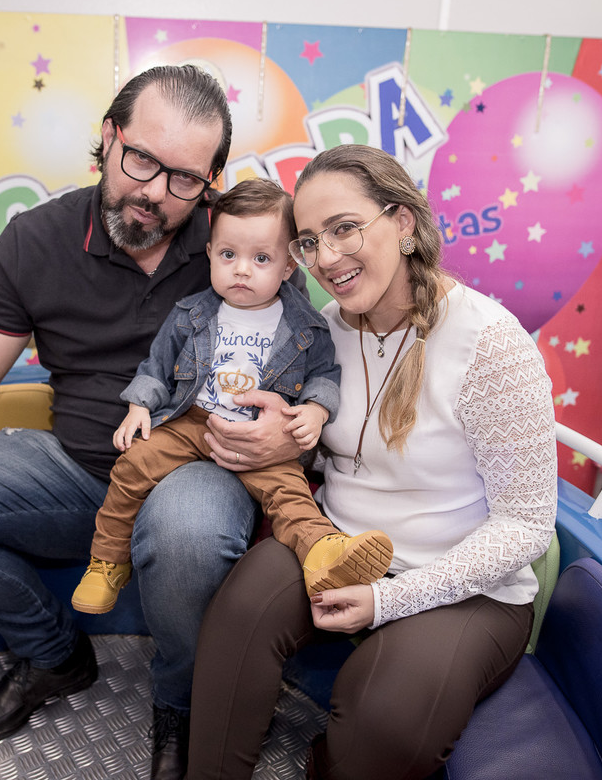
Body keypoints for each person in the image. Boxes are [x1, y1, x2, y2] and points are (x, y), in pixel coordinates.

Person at [0, 64, 302, 780]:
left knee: (190, 531)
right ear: (108, 137)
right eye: (141, 161)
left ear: (212, 181)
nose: (155, 195)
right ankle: (53, 656)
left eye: (185, 180)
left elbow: (312, 367)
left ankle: (180, 704)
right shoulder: (35, 239)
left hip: (197, 471)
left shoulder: (247, 245)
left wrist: (290, 423)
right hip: (75, 475)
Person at [187, 144, 559, 780]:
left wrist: (391, 601)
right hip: (336, 542)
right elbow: (302, 431)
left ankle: (325, 760)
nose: (327, 258)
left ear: (404, 223)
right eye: (309, 241)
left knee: (384, 717)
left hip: (464, 582)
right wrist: (277, 436)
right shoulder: (320, 328)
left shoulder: (491, 343)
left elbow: (527, 526)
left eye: (344, 228)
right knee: (237, 617)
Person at [71, 178, 393, 616]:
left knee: (289, 494)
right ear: (210, 255)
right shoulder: (191, 314)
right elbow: (157, 365)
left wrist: (316, 411)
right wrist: (138, 406)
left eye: (261, 258)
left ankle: (324, 553)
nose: (242, 269)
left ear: (287, 267)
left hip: (259, 439)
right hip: (191, 421)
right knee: (132, 466)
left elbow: (325, 375)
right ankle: (107, 560)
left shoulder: (307, 326)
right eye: (228, 255)